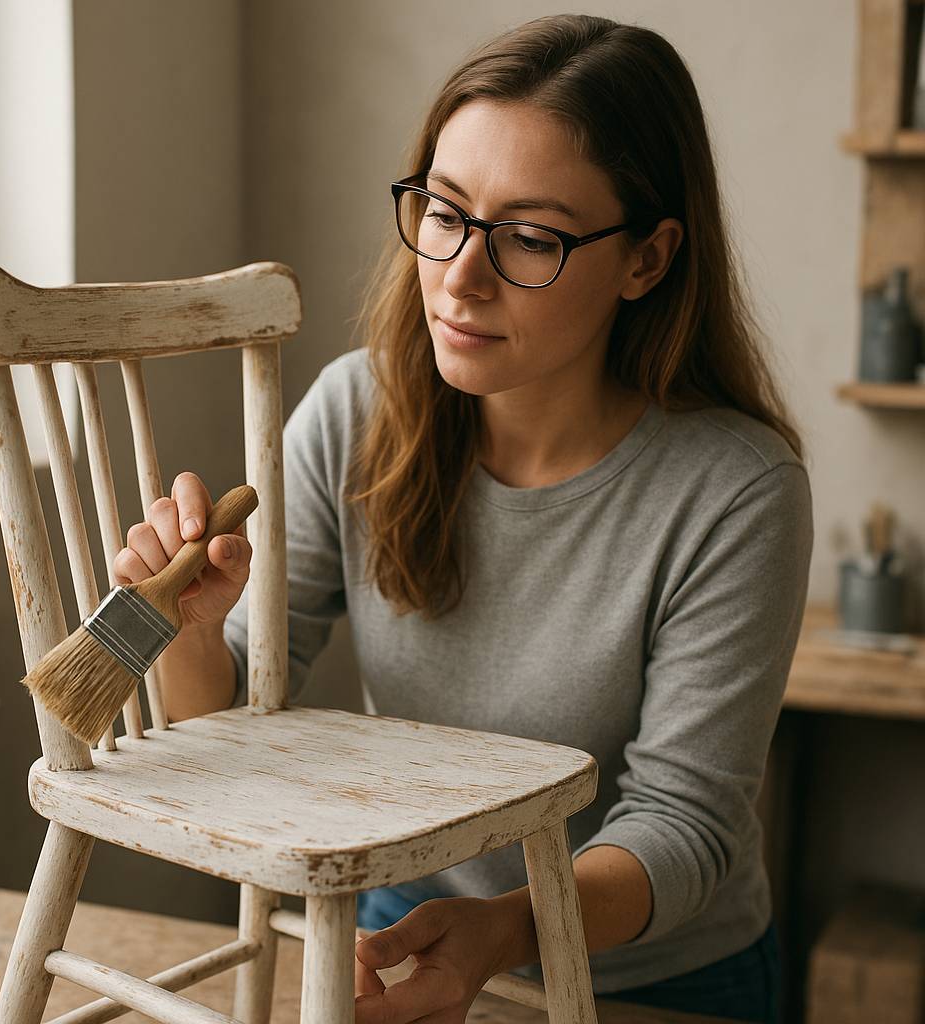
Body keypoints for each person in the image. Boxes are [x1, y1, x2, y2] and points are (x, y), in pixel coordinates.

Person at [113, 13, 812, 1024]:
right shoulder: (355, 412)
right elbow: (236, 727)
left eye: (530, 237)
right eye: (443, 212)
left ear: (647, 260)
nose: (460, 276)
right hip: (401, 932)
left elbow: (685, 824)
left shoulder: (735, 490)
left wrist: (509, 929)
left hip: (654, 977)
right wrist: (186, 631)